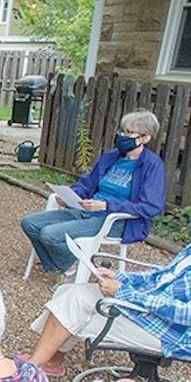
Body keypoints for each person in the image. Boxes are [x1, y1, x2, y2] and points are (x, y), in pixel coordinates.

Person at [27, 177, 191, 376]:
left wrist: (124, 293)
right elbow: (166, 276)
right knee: (68, 292)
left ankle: (29, 372)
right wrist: (121, 278)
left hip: (174, 334)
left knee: (77, 300)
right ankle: (52, 361)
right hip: (157, 313)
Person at [21, 109, 166, 276]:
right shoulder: (112, 156)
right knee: (30, 223)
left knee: (50, 235)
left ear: (145, 138)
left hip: (114, 221)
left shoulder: (152, 166)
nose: (123, 136)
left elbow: (151, 207)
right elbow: (88, 184)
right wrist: (70, 194)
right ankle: (61, 266)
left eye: (129, 132)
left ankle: (73, 268)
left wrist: (106, 205)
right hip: (86, 210)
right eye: (122, 131)